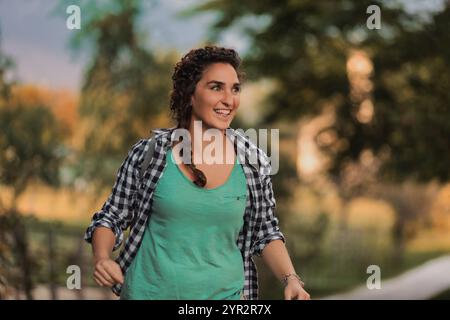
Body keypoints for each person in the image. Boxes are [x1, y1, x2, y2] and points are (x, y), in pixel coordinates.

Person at [84, 45, 310, 300]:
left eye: (235, 89)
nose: (229, 99)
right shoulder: (150, 155)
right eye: (216, 87)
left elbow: (265, 231)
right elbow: (112, 216)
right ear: (190, 95)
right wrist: (102, 258)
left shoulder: (252, 161)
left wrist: (291, 280)